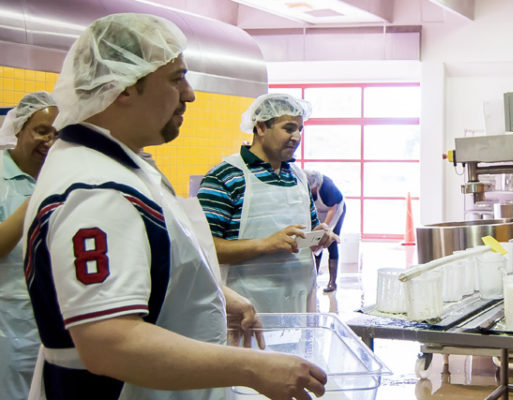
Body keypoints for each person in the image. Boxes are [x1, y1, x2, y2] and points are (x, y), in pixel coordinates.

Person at [23, 13, 326, 399]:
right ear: (125, 88)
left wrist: (212, 296)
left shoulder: (120, 165)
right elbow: (108, 342)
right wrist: (251, 367)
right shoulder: (96, 189)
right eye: (176, 77)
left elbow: (147, 263)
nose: (189, 94)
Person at [198, 93, 336, 313]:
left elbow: (307, 242)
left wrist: (319, 237)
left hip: (299, 308)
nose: (296, 137)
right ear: (261, 127)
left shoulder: (299, 178)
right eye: (289, 128)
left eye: (300, 129)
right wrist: (264, 244)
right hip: (246, 312)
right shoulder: (225, 176)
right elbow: (203, 248)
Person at [0, 91, 58, 400]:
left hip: (51, 326)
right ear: (20, 127)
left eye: (57, 134)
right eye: (41, 130)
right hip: (8, 328)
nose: (49, 140)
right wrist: (37, 200)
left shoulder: (61, 181)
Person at [305, 169, 345, 293]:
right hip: (319, 212)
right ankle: (313, 278)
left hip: (335, 211)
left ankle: (332, 282)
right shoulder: (305, 186)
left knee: (330, 241)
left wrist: (325, 228)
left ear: (316, 186)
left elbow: (333, 208)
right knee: (316, 240)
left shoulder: (327, 187)